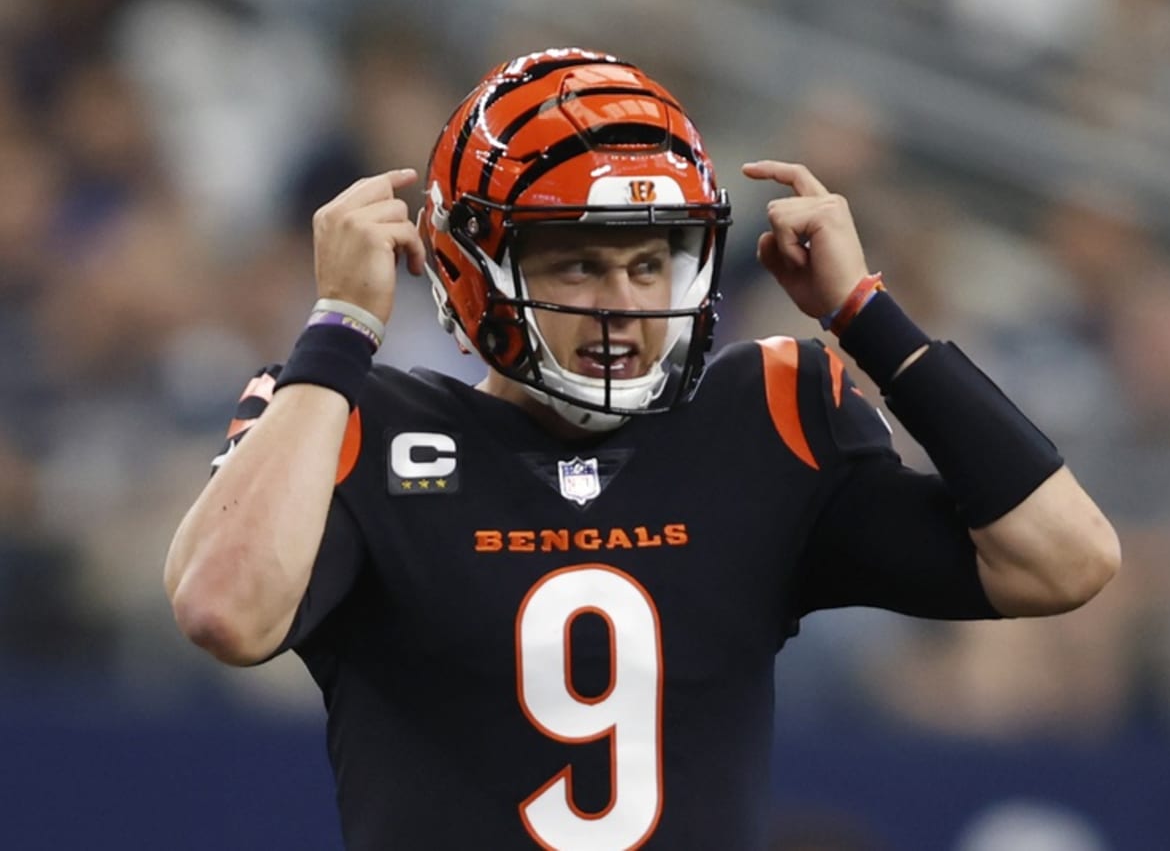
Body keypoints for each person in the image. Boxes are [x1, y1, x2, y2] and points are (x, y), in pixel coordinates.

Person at [164, 48, 1120, 851]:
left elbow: (1067, 558)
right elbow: (226, 613)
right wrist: (335, 332)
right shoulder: (350, 414)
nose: (623, 303)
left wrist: (865, 313)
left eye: (650, 259)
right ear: (471, 266)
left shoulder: (768, 415)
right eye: (578, 259)